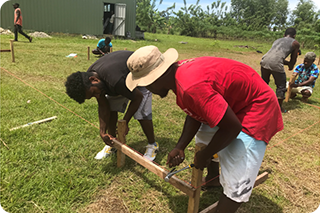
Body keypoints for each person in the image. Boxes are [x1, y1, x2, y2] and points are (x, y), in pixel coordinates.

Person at [125, 45, 283, 213]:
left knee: (238, 177)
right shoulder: (179, 76)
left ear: (157, 78)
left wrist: (205, 155)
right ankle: (213, 178)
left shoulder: (190, 86)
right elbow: (195, 111)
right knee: (204, 136)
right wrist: (180, 146)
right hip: (234, 104)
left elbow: (232, 128)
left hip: (257, 108)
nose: (148, 89)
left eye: (146, 84)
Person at [65, 50, 158, 161]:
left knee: (142, 113)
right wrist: (102, 132)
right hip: (121, 80)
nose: (97, 95)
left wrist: (125, 122)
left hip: (140, 74)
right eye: (93, 96)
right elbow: (104, 106)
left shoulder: (114, 80)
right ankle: (112, 143)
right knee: (111, 107)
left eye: (94, 93)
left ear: (94, 80)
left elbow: (137, 97)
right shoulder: (91, 77)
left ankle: (153, 145)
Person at [260, 27, 300, 113]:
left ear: (284, 35)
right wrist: (291, 65)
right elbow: (293, 58)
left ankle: (260, 102)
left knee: (264, 83)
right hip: (276, 63)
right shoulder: (295, 43)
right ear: (294, 36)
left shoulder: (277, 40)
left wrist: (288, 63)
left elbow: (276, 57)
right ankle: (278, 108)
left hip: (264, 60)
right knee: (281, 86)